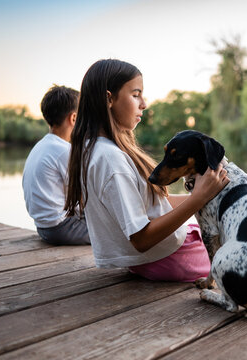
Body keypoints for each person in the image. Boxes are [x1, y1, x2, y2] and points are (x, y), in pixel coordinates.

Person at [64, 59, 229, 282]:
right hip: (170, 259)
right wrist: (199, 199)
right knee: (241, 256)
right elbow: (141, 239)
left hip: (152, 260)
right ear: (109, 99)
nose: (144, 103)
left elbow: (149, 207)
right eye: (135, 94)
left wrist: (208, 194)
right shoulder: (111, 159)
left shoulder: (95, 149)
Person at [22, 85, 90, 245]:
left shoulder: (41, 146)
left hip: (43, 228)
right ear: (73, 119)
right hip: (62, 228)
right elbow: (83, 196)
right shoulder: (64, 151)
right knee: (114, 232)